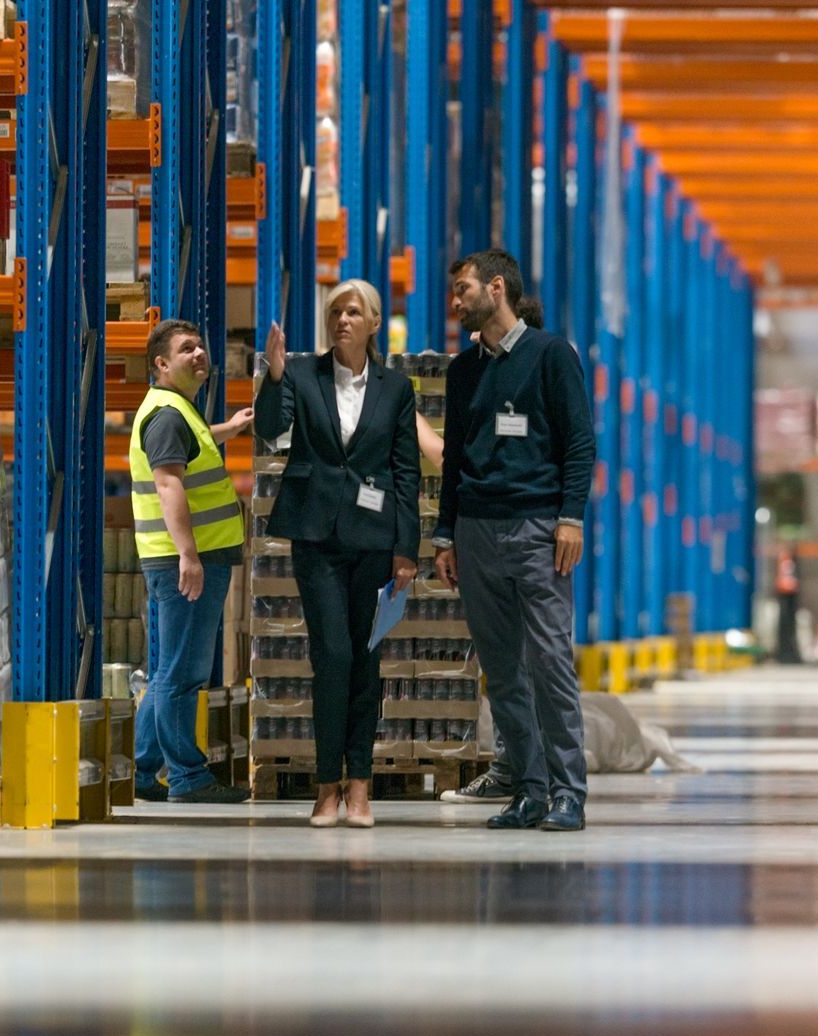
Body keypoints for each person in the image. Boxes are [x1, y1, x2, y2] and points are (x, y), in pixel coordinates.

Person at [432, 248, 595, 831]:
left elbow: (579, 443)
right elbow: (453, 460)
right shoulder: (463, 371)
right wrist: (445, 533)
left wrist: (570, 517)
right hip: (475, 531)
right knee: (501, 669)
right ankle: (528, 790)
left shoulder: (552, 356)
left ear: (496, 288)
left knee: (550, 660)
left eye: (462, 290)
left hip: (536, 529)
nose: (455, 303)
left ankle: (567, 792)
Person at [255, 278, 421, 828]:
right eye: (335, 313)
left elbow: (405, 473)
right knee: (333, 657)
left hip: (374, 543)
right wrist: (275, 377)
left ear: (374, 322)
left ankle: (360, 788)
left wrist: (406, 550)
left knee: (366, 662)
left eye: (353, 312)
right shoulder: (302, 374)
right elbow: (272, 432)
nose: (342, 320)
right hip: (317, 538)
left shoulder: (396, 390)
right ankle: (326, 789)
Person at [129, 319, 257, 803]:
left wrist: (231, 428)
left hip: (187, 558)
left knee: (169, 669)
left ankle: (142, 771)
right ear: (162, 364)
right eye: (187, 349)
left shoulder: (179, 410)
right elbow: (168, 484)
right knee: (184, 672)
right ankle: (188, 777)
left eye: (201, 346)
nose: (200, 353)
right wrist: (189, 555)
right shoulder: (166, 414)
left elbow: (192, 447)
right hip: (183, 560)